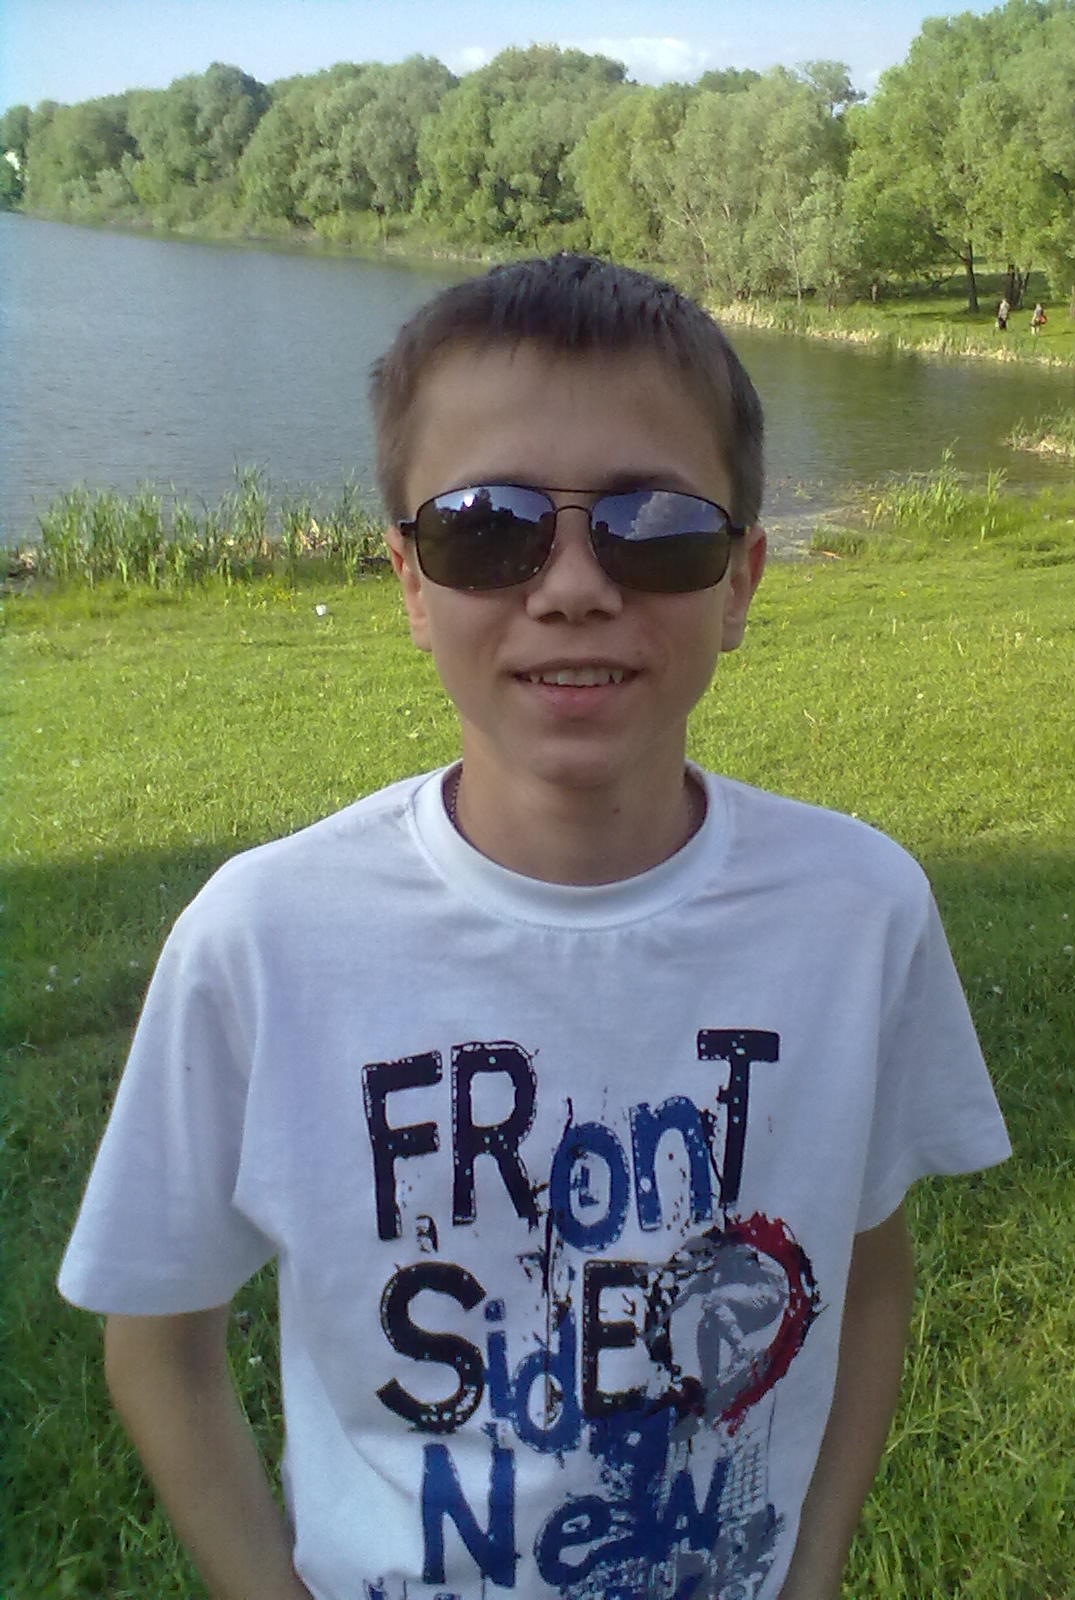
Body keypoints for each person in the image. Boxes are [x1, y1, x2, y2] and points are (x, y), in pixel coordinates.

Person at [59, 254, 1010, 1600]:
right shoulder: (263, 943)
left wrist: (811, 1568)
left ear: (741, 580)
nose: (570, 588)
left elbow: (864, 1270)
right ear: (408, 580)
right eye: (487, 527)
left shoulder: (859, 915)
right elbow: (157, 1336)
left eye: (654, 526)